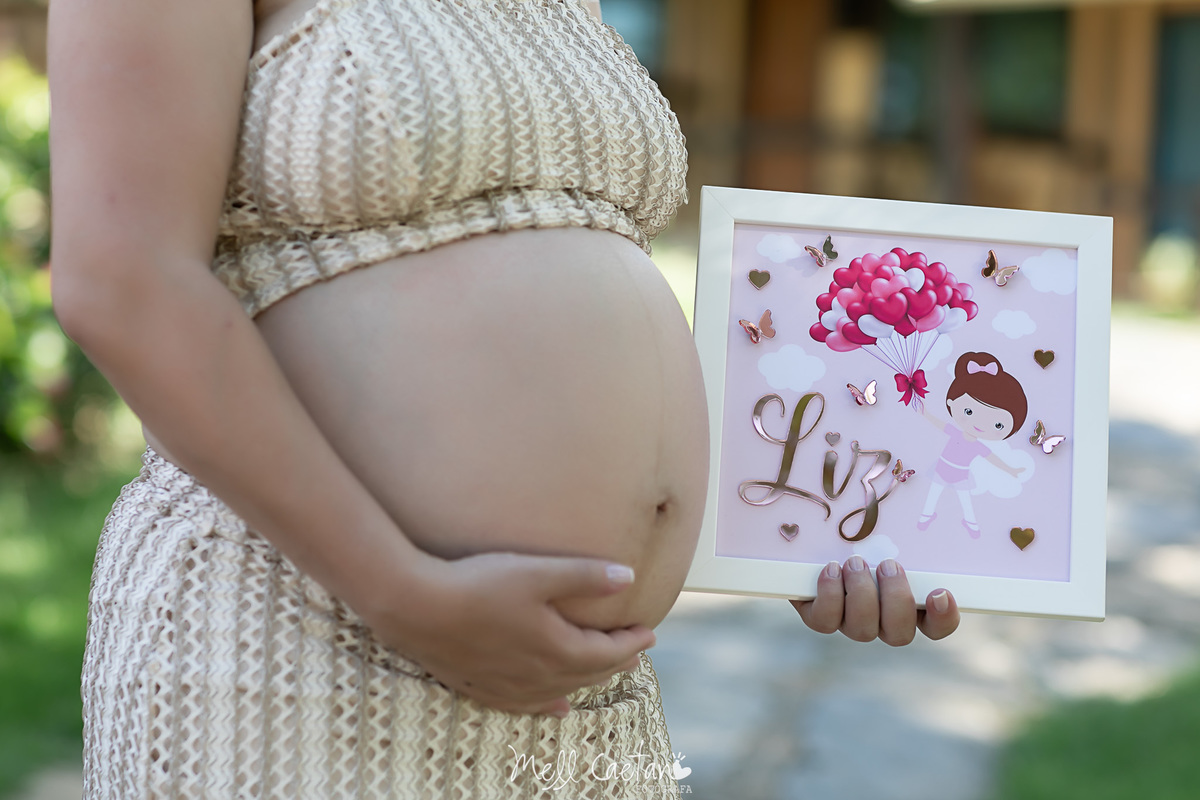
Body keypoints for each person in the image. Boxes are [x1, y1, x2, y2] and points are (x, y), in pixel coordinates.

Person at [48, 0, 960, 796]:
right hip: (296, 644)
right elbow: (123, 282)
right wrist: (400, 592)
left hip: (586, 703)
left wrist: (801, 528)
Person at [918, 351, 1028, 537]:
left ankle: (970, 522)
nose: (980, 425)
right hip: (943, 468)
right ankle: (926, 515)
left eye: (998, 425)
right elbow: (940, 424)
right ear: (951, 402)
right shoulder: (955, 433)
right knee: (933, 493)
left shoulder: (978, 446)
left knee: (965, 499)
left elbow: (993, 459)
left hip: (961, 474)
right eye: (968, 411)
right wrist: (926, 414)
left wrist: (1011, 470)